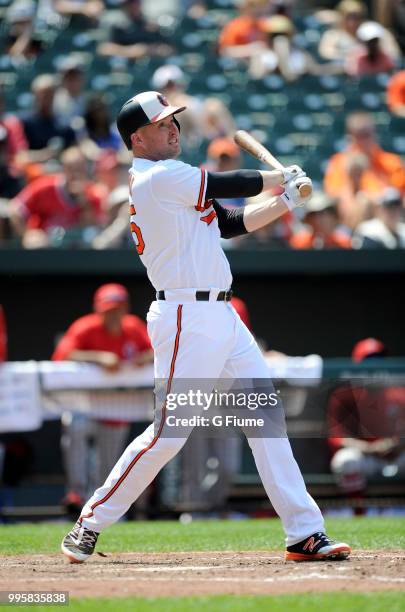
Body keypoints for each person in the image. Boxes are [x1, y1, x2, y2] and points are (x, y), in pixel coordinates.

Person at [61, 90, 351, 563]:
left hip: (222, 314)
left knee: (266, 420)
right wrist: (281, 177)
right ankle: (90, 521)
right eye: (162, 124)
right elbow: (225, 182)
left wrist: (286, 203)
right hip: (184, 317)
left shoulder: (175, 184)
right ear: (137, 138)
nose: (173, 128)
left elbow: (230, 222)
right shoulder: (157, 177)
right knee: (170, 434)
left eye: (174, 121)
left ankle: (304, 533)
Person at [52, 283, 153, 513]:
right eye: (107, 309)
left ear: (125, 307)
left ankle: (99, 510)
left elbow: (157, 350)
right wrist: (99, 357)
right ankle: (76, 493)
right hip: (86, 404)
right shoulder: (85, 327)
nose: (112, 314)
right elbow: (62, 355)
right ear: (98, 309)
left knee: (109, 466)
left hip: (117, 407)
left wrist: (144, 358)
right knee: (75, 429)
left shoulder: (134, 327)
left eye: (117, 308)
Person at [327, 338, 405, 504]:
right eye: (368, 361)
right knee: (346, 461)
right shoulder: (345, 395)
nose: (375, 366)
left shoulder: (399, 393)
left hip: (395, 456)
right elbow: (337, 438)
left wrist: (395, 444)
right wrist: (369, 448)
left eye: (379, 361)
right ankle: (359, 512)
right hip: (364, 458)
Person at [10, 146, 106, 248]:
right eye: (71, 169)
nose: (75, 174)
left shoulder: (94, 193)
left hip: (76, 250)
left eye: (80, 169)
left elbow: (93, 229)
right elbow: (15, 208)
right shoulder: (45, 187)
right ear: (64, 169)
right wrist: (27, 234)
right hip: (46, 248)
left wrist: (84, 202)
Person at [324, 112, 405, 199]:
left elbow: (400, 195)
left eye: (366, 135)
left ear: (374, 134)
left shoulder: (391, 162)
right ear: (349, 137)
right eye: (358, 135)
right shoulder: (339, 162)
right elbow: (333, 194)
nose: (362, 141)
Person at [21, 74, 76, 158]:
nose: (45, 97)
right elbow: (20, 156)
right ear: (34, 95)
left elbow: (72, 152)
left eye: (50, 93)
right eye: (42, 94)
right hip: (31, 169)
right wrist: (47, 154)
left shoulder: (63, 124)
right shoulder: (24, 122)